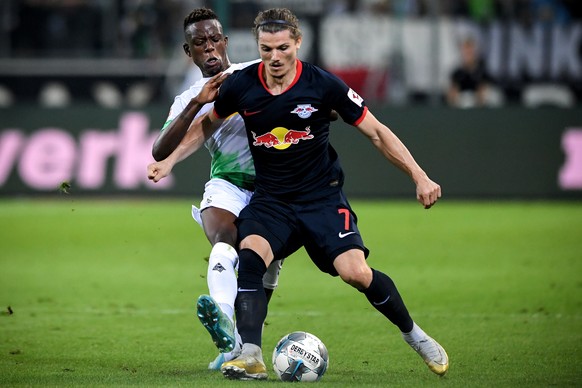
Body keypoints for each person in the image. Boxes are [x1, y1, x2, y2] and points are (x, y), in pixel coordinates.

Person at [147, 7, 449, 381]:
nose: (274, 57)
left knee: (355, 273)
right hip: (272, 200)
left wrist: (419, 176)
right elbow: (204, 126)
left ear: (297, 44)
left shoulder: (322, 84)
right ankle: (250, 354)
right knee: (251, 256)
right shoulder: (242, 85)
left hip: (321, 197)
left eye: (282, 48)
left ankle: (414, 335)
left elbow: (376, 132)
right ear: (257, 47)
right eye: (266, 49)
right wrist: (170, 160)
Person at [149, 8, 283, 371]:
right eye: (198, 43)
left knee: (263, 271)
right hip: (227, 184)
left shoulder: (258, 72)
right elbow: (160, 149)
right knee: (223, 242)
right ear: (187, 52)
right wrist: (199, 101)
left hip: (274, 190)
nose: (208, 48)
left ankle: (237, 346)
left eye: (213, 40)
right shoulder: (189, 98)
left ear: (224, 42)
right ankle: (223, 324)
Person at [446, 37, 494, 108]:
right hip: (461, 110)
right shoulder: (456, 73)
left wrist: (482, 93)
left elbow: (486, 91)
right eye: (466, 51)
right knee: (466, 100)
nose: (468, 54)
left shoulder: (484, 72)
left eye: (470, 51)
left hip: (482, 110)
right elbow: (451, 96)